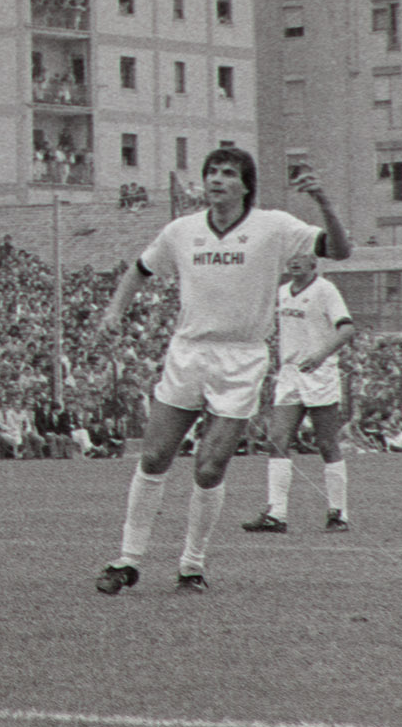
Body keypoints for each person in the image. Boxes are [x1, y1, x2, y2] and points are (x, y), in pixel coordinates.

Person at [93, 149, 349, 595]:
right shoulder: (182, 230)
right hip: (188, 352)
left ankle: (192, 564)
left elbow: (341, 251)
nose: (216, 180)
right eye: (212, 172)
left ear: (246, 184)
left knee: (210, 468)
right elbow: (139, 269)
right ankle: (127, 560)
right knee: (153, 457)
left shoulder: (274, 226)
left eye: (228, 173)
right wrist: (115, 310)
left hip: (242, 358)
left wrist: (324, 202)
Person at [242, 253, 358, 535]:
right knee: (277, 439)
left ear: (313, 264)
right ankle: (276, 514)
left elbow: (347, 329)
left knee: (327, 442)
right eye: (290, 257)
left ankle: (338, 513)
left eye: (301, 258)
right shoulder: (282, 292)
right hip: (290, 374)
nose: (294, 262)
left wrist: (320, 355)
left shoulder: (325, 289)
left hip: (320, 374)